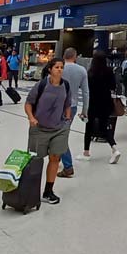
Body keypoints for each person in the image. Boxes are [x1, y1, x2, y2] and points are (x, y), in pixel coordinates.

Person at [25, 58, 72, 205]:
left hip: (59, 129)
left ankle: (48, 191)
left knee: (55, 158)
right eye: (57, 67)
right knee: (35, 160)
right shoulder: (42, 85)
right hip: (39, 128)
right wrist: (31, 118)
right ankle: (30, 191)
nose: (60, 70)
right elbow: (28, 103)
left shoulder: (66, 85)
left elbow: (68, 104)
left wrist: (67, 120)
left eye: (62, 67)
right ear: (50, 69)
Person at [78, 51, 121, 164]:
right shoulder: (109, 71)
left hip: (93, 102)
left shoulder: (90, 72)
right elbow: (113, 86)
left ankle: (86, 152)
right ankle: (114, 148)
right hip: (106, 103)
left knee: (89, 127)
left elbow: (86, 90)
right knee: (104, 127)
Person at [57, 48, 89, 179]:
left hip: (57, 105)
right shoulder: (81, 70)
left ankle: (68, 166)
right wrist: (85, 110)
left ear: (64, 56)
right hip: (73, 106)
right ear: (75, 57)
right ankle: (57, 156)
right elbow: (86, 93)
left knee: (59, 135)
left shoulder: (58, 67)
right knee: (61, 133)